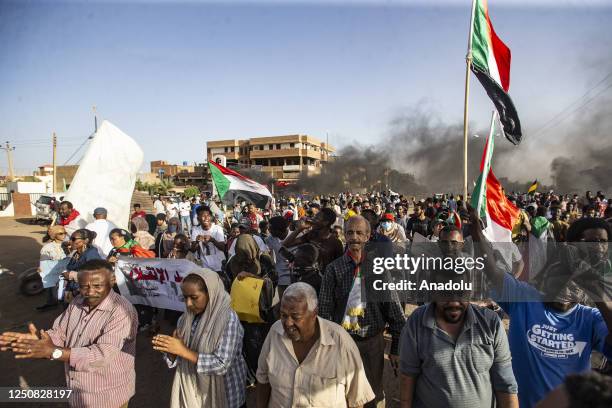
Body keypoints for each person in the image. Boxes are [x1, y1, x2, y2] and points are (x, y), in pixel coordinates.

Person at [470, 209, 612, 408]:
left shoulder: (591, 318)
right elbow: (491, 269)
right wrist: (476, 233)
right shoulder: (524, 299)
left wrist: (597, 291)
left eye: (601, 244)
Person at [0, 259, 138, 408]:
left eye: (98, 286)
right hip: (77, 392)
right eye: (84, 286)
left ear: (112, 281)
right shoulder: (78, 301)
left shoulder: (122, 312)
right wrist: (39, 341)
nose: (90, 292)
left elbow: (101, 356)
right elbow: (60, 332)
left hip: (107, 398)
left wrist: (55, 352)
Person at [399, 268, 519, 408]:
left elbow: (506, 385)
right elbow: (407, 377)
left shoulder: (491, 323)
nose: (454, 301)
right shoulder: (416, 322)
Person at [319, 215, 406, 407]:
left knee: (372, 393)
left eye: (359, 233)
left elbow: (395, 311)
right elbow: (324, 312)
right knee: (341, 393)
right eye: (350, 233)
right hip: (341, 343)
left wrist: (396, 348)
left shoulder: (379, 269)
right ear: (344, 236)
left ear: (368, 236)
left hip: (372, 343)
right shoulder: (334, 270)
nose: (354, 237)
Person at [256, 282, 375, 408]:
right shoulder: (275, 332)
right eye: (283, 315)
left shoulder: (341, 342)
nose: (288, 323)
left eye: (295, 317)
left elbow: (357, 399)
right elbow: (263, 379)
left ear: (314, 314)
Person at [152, 269, 247, 408]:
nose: (188, 304)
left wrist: (183, 351)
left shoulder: (228, 320)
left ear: (211, 294)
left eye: (194, 297)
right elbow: (179, 358)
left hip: (227, 395)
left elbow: (221, 365)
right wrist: (172, 353)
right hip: (194, 394)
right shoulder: (185, 320)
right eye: (185, 298)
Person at [226, 234, 277, 381]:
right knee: (248, 344)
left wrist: (252, 277)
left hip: (263, 310)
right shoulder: (232, 263)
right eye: (241, 255)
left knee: (265, 341)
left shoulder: (264, 260)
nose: (245, 259)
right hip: (242, 312)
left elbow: (274, 280)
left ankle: (267, 372)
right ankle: (253, 374)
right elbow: (229, 284)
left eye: (248, 254)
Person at [284, 207, 344, 273]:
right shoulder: (311, 235)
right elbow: (286, 245)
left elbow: (340, 267)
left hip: (325, 280)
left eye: (317, 218)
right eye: (314, 217)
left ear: (325, 223)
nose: (313, 219)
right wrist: (299, 229)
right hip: (309, 279)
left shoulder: (336, 243)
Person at [61, 229, 103, 305]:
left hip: (85, 293)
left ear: (86, 241)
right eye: (70, 238)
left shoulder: (91, 254)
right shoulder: (77, 253)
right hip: (74, 290)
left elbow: (97, 276)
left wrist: (72, 275)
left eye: (73, 239)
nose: (70, 241)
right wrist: (68, 290)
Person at [37, 225, 68, 310]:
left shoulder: (69, 244)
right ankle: (51, 303)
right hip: (54, 271)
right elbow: (43, 262)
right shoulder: (47, 248)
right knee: (51, 289)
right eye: (61, 233)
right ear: (54, 235)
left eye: (65, 233)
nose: (64, 235)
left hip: (67, 272)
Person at [190, 206, 226, 272]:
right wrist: (197, 241)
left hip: (218, 264)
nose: (206, 218)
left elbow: (223, 248)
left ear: (211, 217)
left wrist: (212, 240)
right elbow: (192, 250)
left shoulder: (218, 228)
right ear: (198, 218)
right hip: (204, 264)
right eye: (203, 216)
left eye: (208, 215)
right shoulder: (195, 229)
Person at [265, 216, 291, 298]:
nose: (268, 230)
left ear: (278, 229)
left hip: (296, 274)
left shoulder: (295, 236)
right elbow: (267, 252)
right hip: (281, 275)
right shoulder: (270, 239)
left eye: (270, 228)